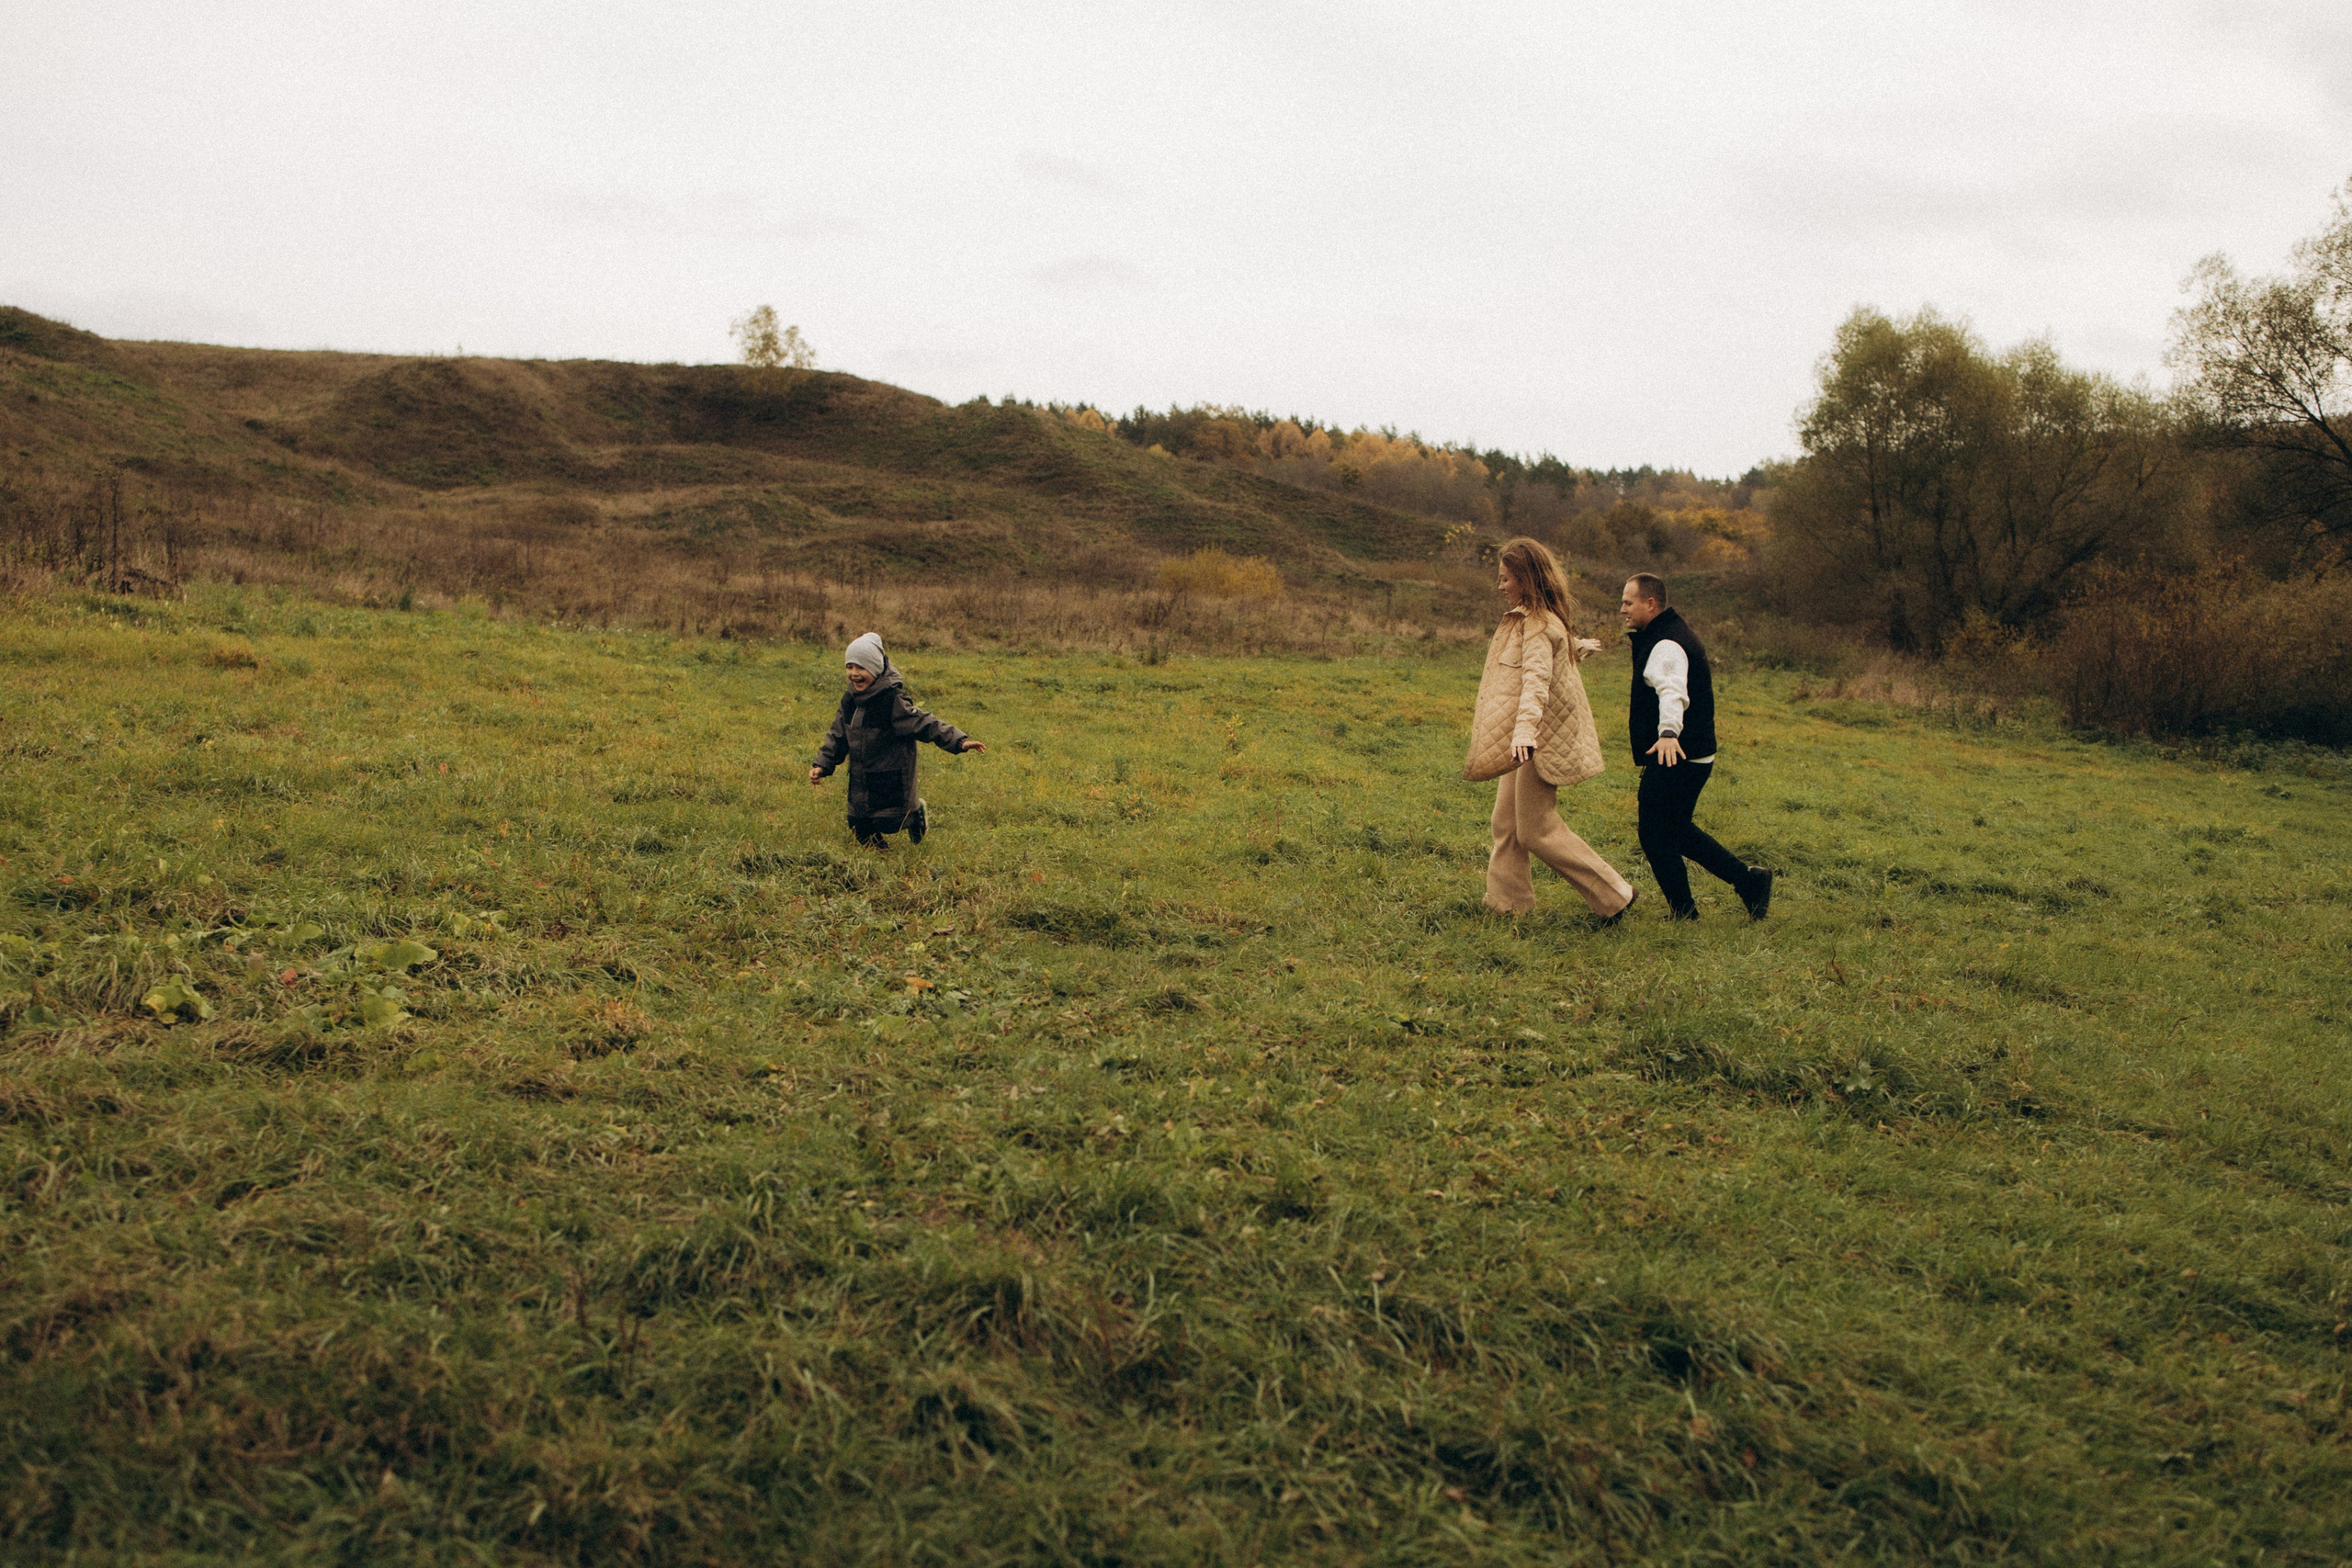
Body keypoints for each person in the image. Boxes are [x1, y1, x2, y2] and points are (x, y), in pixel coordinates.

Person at [1464, 538, 1639, 920]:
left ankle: (1616, 895)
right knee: (1506, 824)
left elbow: (1536, 681)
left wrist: (1524, 733)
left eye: (1505, 578)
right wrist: (1574, 646)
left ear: (1525, 580)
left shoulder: (1539, 623)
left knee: (1536, 830)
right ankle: (1508, 907)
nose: (1500, 585)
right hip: (1525, 737)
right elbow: (1545, 651)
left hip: (1536, 738)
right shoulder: (1536, 619)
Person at [1618, 574, 1773, 919]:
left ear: (1651, 604)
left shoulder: (1667, 644)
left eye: (1629, 602)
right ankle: (1745, 882)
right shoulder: (1664, 634)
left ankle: (1691, 908)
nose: (1622, 609)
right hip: (1692, 752)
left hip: (1677, 752)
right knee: (1673, 829)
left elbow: (1673, 690)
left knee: (1655, 832)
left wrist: (1669, 733)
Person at [808, 632, 986, 847]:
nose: (854, 674)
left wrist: (958, 741)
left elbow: (924, 723)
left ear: (875, 669)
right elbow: (837, 735)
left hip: (890, 776)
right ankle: (882, 859)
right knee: (858, 824)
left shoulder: (892, 701)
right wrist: (822, 764)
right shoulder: (850, 700)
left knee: (891, 820)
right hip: (860, 778)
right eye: (849, 667)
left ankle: (916, 815)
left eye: (860, 668)